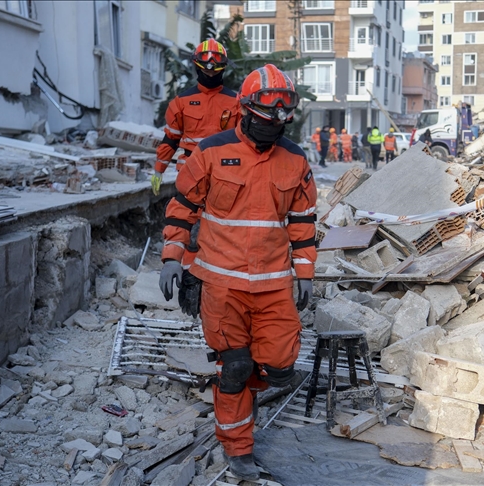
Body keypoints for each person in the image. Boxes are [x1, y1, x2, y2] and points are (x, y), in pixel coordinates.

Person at [158, 64, 315, 482]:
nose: (277, 117)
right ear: (245, 107)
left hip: (273, 284)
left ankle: (254, 386)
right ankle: (238, 447)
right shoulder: (212, 151)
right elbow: (182, 207)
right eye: (269, 107)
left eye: (285, 109)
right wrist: (173, 256)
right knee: (234, 368)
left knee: (280, 365)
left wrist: (306, 273)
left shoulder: (295, 159)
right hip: (221, 283)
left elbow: (303, 222)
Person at [152, 39, 240, 196]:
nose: (211, 74)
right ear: (198, 67)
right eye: (207, 71)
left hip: (226, 172)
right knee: (183, 210)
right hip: (190, 171)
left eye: (215, 71)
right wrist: (159, 170)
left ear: (223, 69)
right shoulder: (181, 102)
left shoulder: (236, 102)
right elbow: (171, 139)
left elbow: (245, 142)